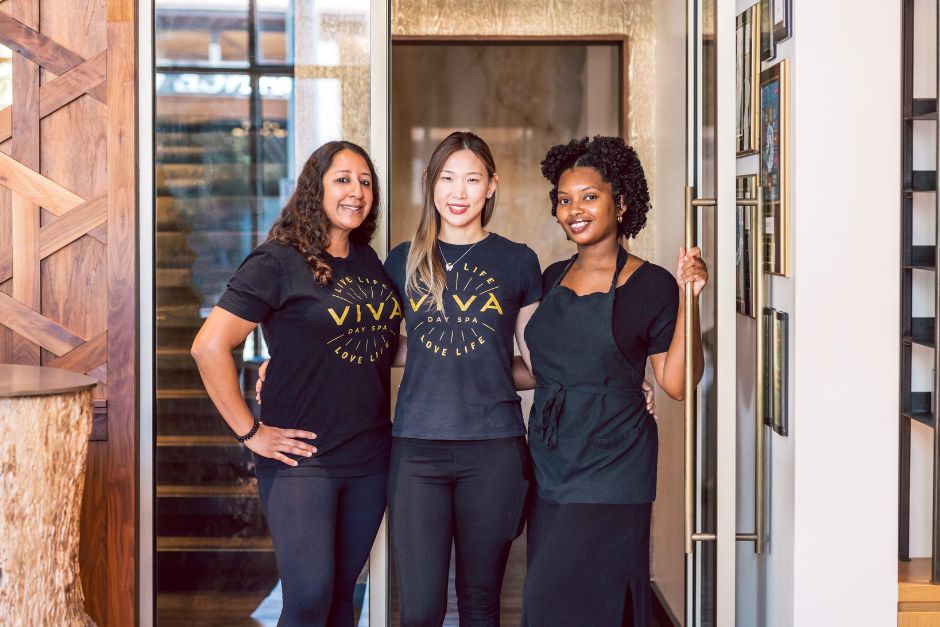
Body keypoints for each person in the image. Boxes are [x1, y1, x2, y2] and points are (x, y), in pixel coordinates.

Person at [191, 140, 400, 627]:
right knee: (307, 598)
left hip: (369, 453)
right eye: (343, 179)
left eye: (366, 182)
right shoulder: (279, 261)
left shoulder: (368, 260)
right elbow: (208, 347)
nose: (357, 191)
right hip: (302, 457)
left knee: (341, 597)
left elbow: (374, 344)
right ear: (316, 188)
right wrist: (251, 432)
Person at [519, 136, 707, 627]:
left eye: (589, 196)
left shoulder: (652, 284)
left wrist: (692, 298)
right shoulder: (551, 277)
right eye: (564, 199)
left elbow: (676, 382)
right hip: (551, 460)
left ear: (621, 203)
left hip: (614, 466)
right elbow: (545, 370)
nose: (574, 209)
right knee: (546, 606)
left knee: (599, 605)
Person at [382, 131, 541, 626]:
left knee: (478, 602)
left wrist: (622, 378)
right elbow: (378, 346)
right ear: (431, 185)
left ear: (491, 186)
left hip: (493, 450)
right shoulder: (402, 259)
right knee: (422, 609)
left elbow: (538, 363)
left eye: (472, 179)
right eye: (448, 178)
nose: (459, 192)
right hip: (416, 450)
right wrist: (281, 363)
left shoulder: (517, 260)